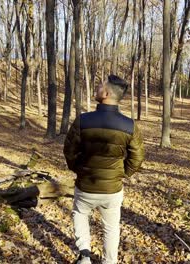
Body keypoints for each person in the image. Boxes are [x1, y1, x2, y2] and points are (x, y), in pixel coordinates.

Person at [63, 74, 145, 264]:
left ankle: (84, 256)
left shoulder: (82, 121)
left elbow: (69, 150)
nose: (97, 87)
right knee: (111, 228)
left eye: (100, 85)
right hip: (112, 190)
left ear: (106, 93)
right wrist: (123, 173)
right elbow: (138, 157)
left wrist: (79, 169)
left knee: (80, 214)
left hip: (86, 187)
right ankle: (109, 262)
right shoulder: (129, 126)